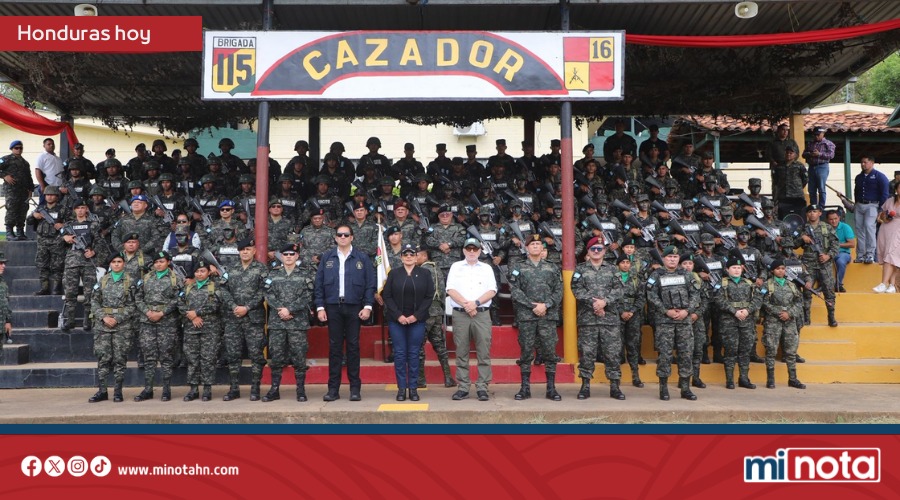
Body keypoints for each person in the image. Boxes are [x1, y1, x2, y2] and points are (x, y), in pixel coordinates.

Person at [314, 224, 376, 402]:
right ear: (335, 238)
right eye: (339, 234)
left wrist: (368, 306)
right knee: (334, 349)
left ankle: (355, 389)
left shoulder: (362, 258)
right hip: (333, 306)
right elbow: (319, 284)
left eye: (346, 234)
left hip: (354, 307)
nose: (342, 237)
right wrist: (320, 307)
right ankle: (333, 390)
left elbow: (370, 284)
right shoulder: (327, 257)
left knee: (353, 348)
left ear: (352, 237)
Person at [508, 234, 563, 401]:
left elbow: (559, 290)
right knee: (526, 351)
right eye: (532, 244)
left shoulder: (552, 267)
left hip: (548, 315)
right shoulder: (518, 267)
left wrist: (545, 305)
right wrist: (533, 306)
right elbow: (515, 290)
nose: (535, 246)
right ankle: (525, 388)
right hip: (527, 316)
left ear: (543, 248)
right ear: (527, 248)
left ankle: (551, 388)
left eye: (538, 244)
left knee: (549, 351)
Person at [571, 236, 624, 400]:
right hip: (588, 319)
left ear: (604, 251)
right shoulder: (580, 270)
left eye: (599, 249)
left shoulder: (613, 269)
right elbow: (576, 289)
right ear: (588, 251)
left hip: (610, 320)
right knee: (587, 353)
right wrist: (595, 304)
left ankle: (615, 387)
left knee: (612, 353)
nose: (596, 251)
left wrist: (604, 303)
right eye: (593, 249)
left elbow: (620, 289)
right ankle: (585, 386)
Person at [446, 238, 498, 401]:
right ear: (463, 251)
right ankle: (463, 387)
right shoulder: (456, 267)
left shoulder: (486, 268)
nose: (471, 252)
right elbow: (450, 289)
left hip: (481, 313)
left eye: (475, 249)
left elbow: (492, 290)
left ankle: (482, 387)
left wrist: (474, 303)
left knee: (484, 351)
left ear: (480, 251)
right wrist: (466, 305)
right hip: (461, 313)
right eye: (468, 249)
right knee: (461, 351)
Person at [382, 243, 434, 401]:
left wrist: (416, 316)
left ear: (417, 256)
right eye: (406, 254)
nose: (409, 257)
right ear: (401, 257)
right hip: (397, 321)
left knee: (413, 354)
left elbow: (429, 296)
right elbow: (387, 296)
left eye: (412, 254)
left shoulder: (425, 273)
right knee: (399, 354)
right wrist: (398, 315)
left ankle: (413, 388)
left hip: (417, 321)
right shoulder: (394, 274)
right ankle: (401, 388)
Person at [646, 246, 698, 401]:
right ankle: (663, 388)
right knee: (665, 355)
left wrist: (687, 311)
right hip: (665, 321)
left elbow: (696, 295)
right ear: (664, 259)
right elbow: (651, 295)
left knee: (686, 354)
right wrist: (665, 310)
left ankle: (685, 388)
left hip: (684, 320)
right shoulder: (656, 275)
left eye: (675, 257)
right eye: (669, 257)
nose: (672, 260)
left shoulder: (687, 275)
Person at [264, 243, 315, 402]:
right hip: (277, 322)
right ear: (281, 256)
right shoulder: (273, 274)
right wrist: (281, 309)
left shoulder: (304, 274)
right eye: (285, 254)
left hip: (297, 323)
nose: (288, 257)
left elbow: (308, 295)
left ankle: (300, 390)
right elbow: (267, 293)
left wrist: (290, 309)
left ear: (297, 256)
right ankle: (274, 389)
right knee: (277, 357)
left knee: (299, 357)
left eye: (291, 254)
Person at [221, 238, 269, 401]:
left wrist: (247, 307)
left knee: (256, 355)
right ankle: (234, 388)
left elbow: (264, 291)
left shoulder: (261, 269)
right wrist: (234, 306)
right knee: (233, 355)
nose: (245, 252)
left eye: (248, 249)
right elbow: (223, 290)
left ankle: (255, 388)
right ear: (238, 252)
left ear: (254, 251)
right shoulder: (230, 269)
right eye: (242, 250)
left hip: (253, 319)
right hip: (233, 318)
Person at [134, 251, 184, 402]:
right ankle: (148, 389)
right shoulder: (146, 278)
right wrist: (147, 311)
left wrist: (162, 313)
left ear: (168, 262)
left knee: (166, 357)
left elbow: (179, 300)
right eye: (156, 262)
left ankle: (166, 389)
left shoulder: (176, 279)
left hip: (167, 322)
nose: (159, 264)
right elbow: (137, 297)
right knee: (149, 357)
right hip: (147, 321)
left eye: (162, 261)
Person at [89, 253, 137, 403]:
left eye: (119, 261)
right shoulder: (102, 281)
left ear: (124, 263)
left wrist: (117, 319)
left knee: (119, 360)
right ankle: (102, 391)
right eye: (113, 262)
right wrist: (104, 317)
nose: (116, 264)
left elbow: (133, 304)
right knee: (103, 359)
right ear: (110, 264)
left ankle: (118, 391)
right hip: (103, 326)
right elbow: (94, 302)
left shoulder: (131, 282)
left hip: (122, 326)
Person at [715, 250, 763, 390]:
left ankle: (743, 378)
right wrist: (734, 312)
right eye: (733, 268)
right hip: (729, 322)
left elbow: (758, 299)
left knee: (745, 351)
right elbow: (718, 300)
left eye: (738, 267)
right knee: (730, 351)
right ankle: (729, 380)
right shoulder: (722, 283)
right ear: (727, 269)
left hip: (746, 322)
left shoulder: (749, 283)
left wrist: (747, 310)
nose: (736, 270)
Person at [180, 259, 225, 402]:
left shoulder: (214, 286)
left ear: (208, 272)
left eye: (203, 271)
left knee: (208, 359)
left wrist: (197, 312)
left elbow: (216, 305)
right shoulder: (188, 288)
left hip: (210, 329)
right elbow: (179, 303)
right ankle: (193, 389)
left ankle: (207, 389)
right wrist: (192, 317)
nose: (199, 274)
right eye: (197, 271)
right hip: (191, 328)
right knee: (192, 359)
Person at [761, 259, 806, 390]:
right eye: (778, 268)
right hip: (773, 321)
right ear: (772, 271)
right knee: (771, 350)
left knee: (791, 352)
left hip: (789, 321)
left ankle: (793, 379)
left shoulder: (791, 285)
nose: (781, 271)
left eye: (783, 268)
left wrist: (789, 313)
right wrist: (779, 312)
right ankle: (770, 379)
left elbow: (799, 302)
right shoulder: (767, 285)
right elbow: (763, 302)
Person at [414, 248, 455, 389]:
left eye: (416, 255)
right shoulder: (436, 269)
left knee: (419, 346)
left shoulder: (421, 271)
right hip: (437, 311)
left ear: (425, 256)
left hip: (425, 313)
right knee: (440, 346)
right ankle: (448, 378)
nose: (414, 257)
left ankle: (420, 379)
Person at [793, 204, 838, 326]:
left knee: (829, 292)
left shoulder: (827, 228)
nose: (812, 213)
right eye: (810, 212)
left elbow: (835, 245)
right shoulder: (802, 228)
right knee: (807, 291)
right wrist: (802, 238)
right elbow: (793, 244)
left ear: (819, 213)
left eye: (815, 211)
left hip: (825, 265)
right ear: (807, 214)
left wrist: (828, 256)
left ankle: (831, 318)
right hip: (808, 265)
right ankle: (807, 319)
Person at [853, 154, 889, 264]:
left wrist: (880, 209)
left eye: (865, 162)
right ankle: (860, 255)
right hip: (859, 205)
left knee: (869, 227)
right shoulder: (859, 177)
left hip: (873, 205)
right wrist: (856, 204)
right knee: (859, 230)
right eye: (862, 162)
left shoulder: (880, 176)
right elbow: (856, 191)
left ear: (872, 163)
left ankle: (870, 254)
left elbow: (885, 194)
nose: (863, 164)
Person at [1, 140, 35, 240]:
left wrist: (30, 190)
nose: (19, 150)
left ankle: (20, 232)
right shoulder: (6, 159)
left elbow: (29, 177)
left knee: (23, 210)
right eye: (16, 148)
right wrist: (5, 176)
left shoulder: (25, 163)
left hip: (24, 191)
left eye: (21, 148)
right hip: (12, 190)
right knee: (12, 209)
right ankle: (9, 232)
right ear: (12, 149)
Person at [874, 181, 900, 293]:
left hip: (898, 230)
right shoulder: (889, 200)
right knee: (890, 257)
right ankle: (892, 285)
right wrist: (884, 217)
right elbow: (881, 215)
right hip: (886, 229)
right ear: (896, 189)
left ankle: (883, 283)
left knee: (891, 254)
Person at [803, 126, 835, 207]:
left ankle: (821, 206)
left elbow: (831, 155)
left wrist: (819, 154)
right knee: (811, 188)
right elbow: (803, 154)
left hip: (822, 166)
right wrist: (810, 154)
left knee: (821, 187)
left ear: (823, 134)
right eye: (815, 135)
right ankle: (813, 206)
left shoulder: (828, 143)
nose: (816, 136)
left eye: (818, 134)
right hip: (811, 167)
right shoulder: (810, 143)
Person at [826, 210, 855, 293]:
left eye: (835, 218)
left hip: (843, 253)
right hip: (829, 253)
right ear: (827, 220)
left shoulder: (845, 227)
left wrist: (837, 244)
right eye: (831, 219)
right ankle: (823, 285)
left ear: (839, 218)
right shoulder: (825, 228)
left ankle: (839, 285)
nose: (834, 221)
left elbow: (852, 244)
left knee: (841, 262)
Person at [0, 252, 11, 343]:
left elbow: (5, 303)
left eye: (4, 263)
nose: (3, 266)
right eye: (0, 263)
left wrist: (7, 321)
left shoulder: (3, 283)